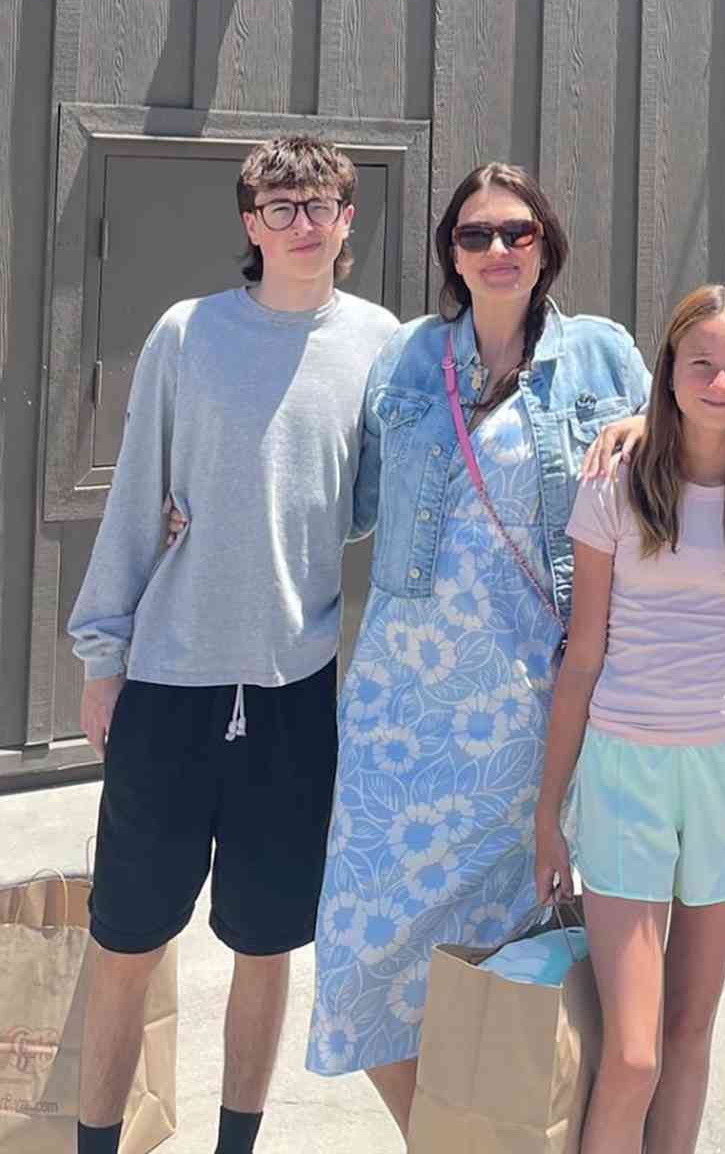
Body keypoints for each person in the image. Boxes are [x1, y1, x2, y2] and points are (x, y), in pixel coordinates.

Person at [67, 135, 399, 1154]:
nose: (303, 220)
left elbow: (362, 501)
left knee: (266, 943)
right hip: (169, 684)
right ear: (251, 223)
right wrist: (101, 652)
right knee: (126, 939)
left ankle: (235, 1144)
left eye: (322, 203)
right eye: (282, 204)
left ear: (349, 220)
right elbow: (134, 498)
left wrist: (266, 517)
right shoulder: (188, 332)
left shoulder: (381, 341)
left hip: (295, 695)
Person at [306, 162, 650, 1138]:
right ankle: (453, 1137)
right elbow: (346, 496)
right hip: (399, 716)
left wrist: (645, 419)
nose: (496, 250)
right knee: (360, 960)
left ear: (545, 244)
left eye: (515, 232)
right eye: (474, 234)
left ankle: (497, 1123)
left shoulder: (602, 354)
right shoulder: (410, 359)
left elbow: (703, 447)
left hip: (529, 710)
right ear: (449, 252)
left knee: (508, 961)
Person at [533, 284, 725, 1154]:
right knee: (637, 1053)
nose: (720, 383)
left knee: (692, 1035)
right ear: (670, 371)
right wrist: (550, 813)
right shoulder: (617, 480)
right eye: (703, 364)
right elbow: (582, 655)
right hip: (625, 772)